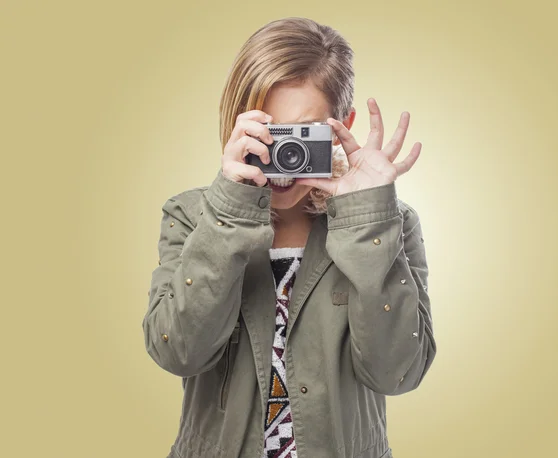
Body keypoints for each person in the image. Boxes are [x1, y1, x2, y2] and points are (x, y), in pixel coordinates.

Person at [142, 16, 436, 458]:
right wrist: (231, 209)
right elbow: (178, 353)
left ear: (342, 127)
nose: (283, 155)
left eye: (303, 134)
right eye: (268, 132)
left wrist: (366, 220)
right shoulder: (192, 214)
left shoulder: (389, 223)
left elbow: (397, 374)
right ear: (236, 124)